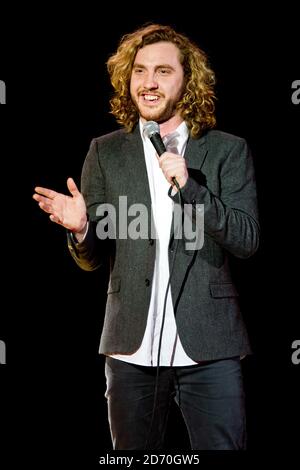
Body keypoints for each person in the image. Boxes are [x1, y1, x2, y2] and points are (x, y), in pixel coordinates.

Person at [33, 24, 259, 450]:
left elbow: (246, 239)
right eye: (139, 71)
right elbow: (92, 258)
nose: (149, 83)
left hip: (209, 349)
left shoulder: (228, 149)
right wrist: (82, 229)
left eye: (162, 71)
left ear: (187, 81)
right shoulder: (105, 152)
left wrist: (192, 189)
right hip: (130, 352)